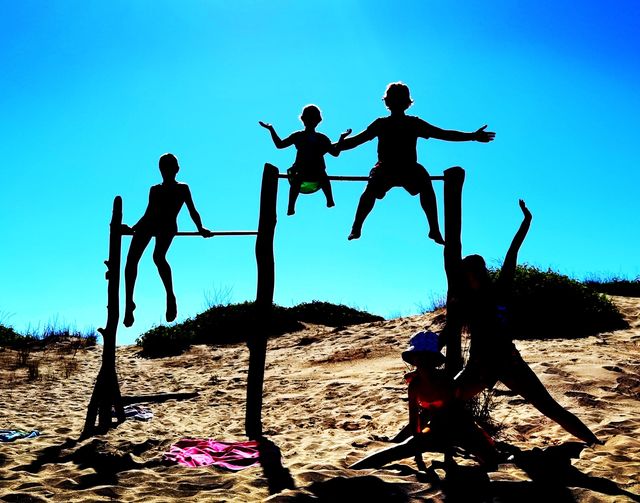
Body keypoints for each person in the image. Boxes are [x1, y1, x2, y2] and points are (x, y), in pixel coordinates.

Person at [443, 200, 602, 446]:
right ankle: (469, 440)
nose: (470, 275)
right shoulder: (467, 301)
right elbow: (449, 330)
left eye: (472, 270)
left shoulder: (498, 290)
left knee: (548, 406)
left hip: (506, 362)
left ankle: (594, 443)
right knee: (448, 399)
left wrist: (526, 222)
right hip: (480, 365)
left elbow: (512, 252)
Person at [334, 82, 495, 243]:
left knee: (425, 184)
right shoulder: (382, 124)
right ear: (391, 102)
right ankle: (356, 227)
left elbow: (443, 134)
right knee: (370, 190)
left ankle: (434, 229)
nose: (397, 103)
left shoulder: (412, 123)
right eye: (395, 99)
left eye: (399, 99)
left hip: (408, 168)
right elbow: (356, 141)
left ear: (403, 103)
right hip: (386, 168)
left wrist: (472, 136)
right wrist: (334, 146)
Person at [351, 331, 500, 470]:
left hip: (462, 428)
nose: (423, 361)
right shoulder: (414, 385)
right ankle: (352, 470)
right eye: (419, 356)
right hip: (435, 429)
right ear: (413, 359)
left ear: (435, 360)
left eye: (428, 357)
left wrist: (448, 455)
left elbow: (456, 413)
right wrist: (418, 449)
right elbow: (414, 420)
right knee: (401, 449)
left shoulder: (445, 381)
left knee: (492, 462)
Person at [123, 153, 213, 327]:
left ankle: (170, 295)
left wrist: (200, 228)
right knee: (131, 260)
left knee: (158, 257)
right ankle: (129, 302)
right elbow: (148, 213)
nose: (166, 171)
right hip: (150, 224)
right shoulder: (154, 189)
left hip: (167, 226)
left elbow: (192, 210)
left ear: (176, 169)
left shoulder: (182, 188)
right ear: (160, 170)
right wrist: (133, 228)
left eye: (169, 168)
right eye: (163, 168)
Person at [259, 105, 351, 215]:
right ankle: (291, 206)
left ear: (317, 121)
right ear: (303, 119)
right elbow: (280, 145)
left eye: (313, 119)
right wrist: (271, 129)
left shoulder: (322, 138)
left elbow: (335, 153)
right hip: (301, 171)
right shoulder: (298, 136)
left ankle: (329, 200)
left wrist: (341, 138)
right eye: (309, 118)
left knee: (323, 177)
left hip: (317, 172)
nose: (311, 122)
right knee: (297, 180)